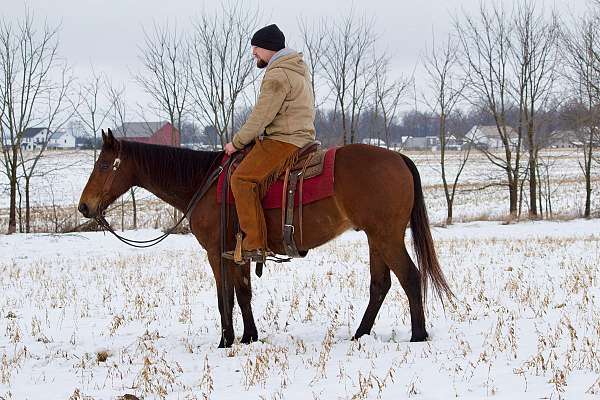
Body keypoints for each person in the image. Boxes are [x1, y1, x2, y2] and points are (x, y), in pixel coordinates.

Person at [223, 24, 316, 264]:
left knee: (241, 180)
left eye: (257, 49)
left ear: (269, 48)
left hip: (284, 139)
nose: (254, 54)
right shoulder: (297, 69)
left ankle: (254, 245)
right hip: (302, 136)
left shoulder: (277, 74)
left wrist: (236, 143)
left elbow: (260, 117)